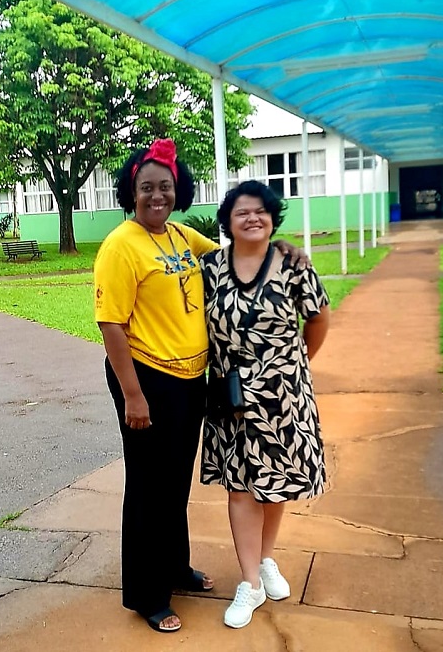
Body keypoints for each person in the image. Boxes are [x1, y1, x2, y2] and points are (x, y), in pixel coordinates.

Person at [94, 140, 308, 634]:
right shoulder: (121, 245)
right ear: (131, 191)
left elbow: (233, 255)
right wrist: (133, 395)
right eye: (146, 187)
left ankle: (174, 567)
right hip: (147, 379)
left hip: (190, 381)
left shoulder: (178, 236)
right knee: (149, 487)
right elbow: (110, 325)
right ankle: (147, 595)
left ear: (179, 191)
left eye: (165, 187)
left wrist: (279, 249)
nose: (157, 196)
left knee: (174, 483)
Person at [200, 180, 330, 629]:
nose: (252, 218)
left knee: (276, 483)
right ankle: (250, 581)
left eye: (261, 211)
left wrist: (295, 362)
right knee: (241, 487)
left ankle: (265, 557)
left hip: (283, 395)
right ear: (228, 221)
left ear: (273, 217)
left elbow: (318, 318)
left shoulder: (294, 265)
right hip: (232, 396)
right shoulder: (209, 267)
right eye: (242, 212)